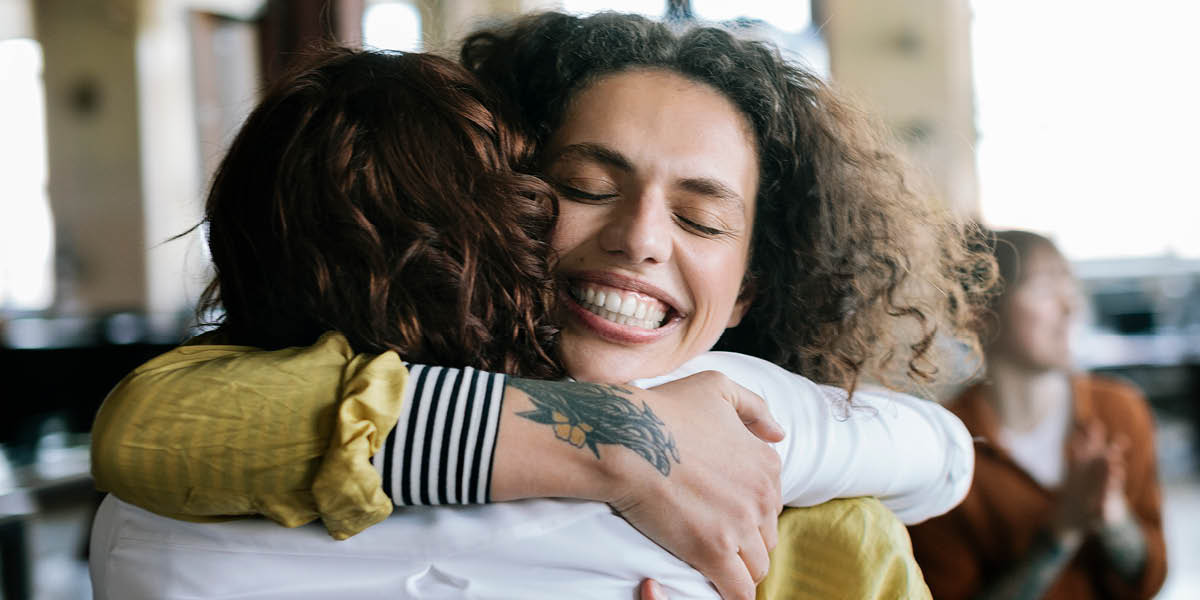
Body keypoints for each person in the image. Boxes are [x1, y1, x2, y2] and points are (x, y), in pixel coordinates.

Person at [91, 12, 993, 599]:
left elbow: (939, 457)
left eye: (699, 215)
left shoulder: (823, 529)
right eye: (586, 185)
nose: (641, 238)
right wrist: (617, 442)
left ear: (754, 282)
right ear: (503, 201)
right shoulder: (284, 413)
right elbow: (147, 426)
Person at [908, 229, 1168, 599]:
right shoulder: (942, 448)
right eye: (1045, 288)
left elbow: (1150, 580)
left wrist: (1113, 517)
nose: (1070, 306)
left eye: (1068, 285)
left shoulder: (1120, 412)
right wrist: (1063, 529)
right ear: (979, 315)